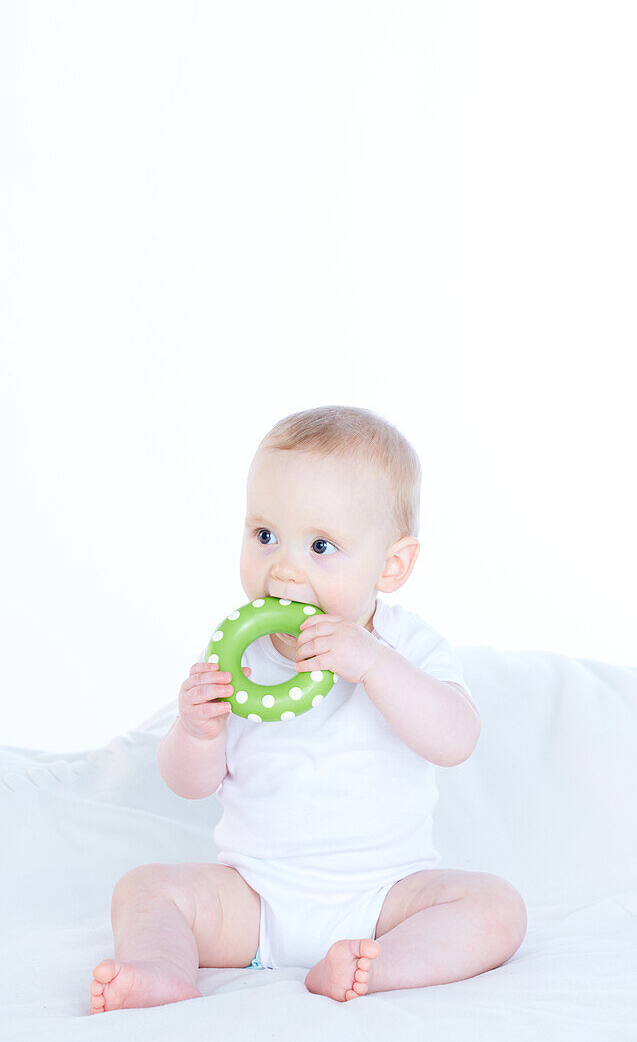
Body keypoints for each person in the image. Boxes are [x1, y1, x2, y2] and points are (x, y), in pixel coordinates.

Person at [89, 405, 527, 1011]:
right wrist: (195, 730)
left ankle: (381, 965)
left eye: (321, 546)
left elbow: (456, 739)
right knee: (144, 888)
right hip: (254, 901)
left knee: (497, 908)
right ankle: (160, 970)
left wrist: (372, 663)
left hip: (383, 901)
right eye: (264, 536)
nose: (285, 568)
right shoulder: (239, 658)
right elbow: (188, 785)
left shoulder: (406, 646)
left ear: (391, 565)